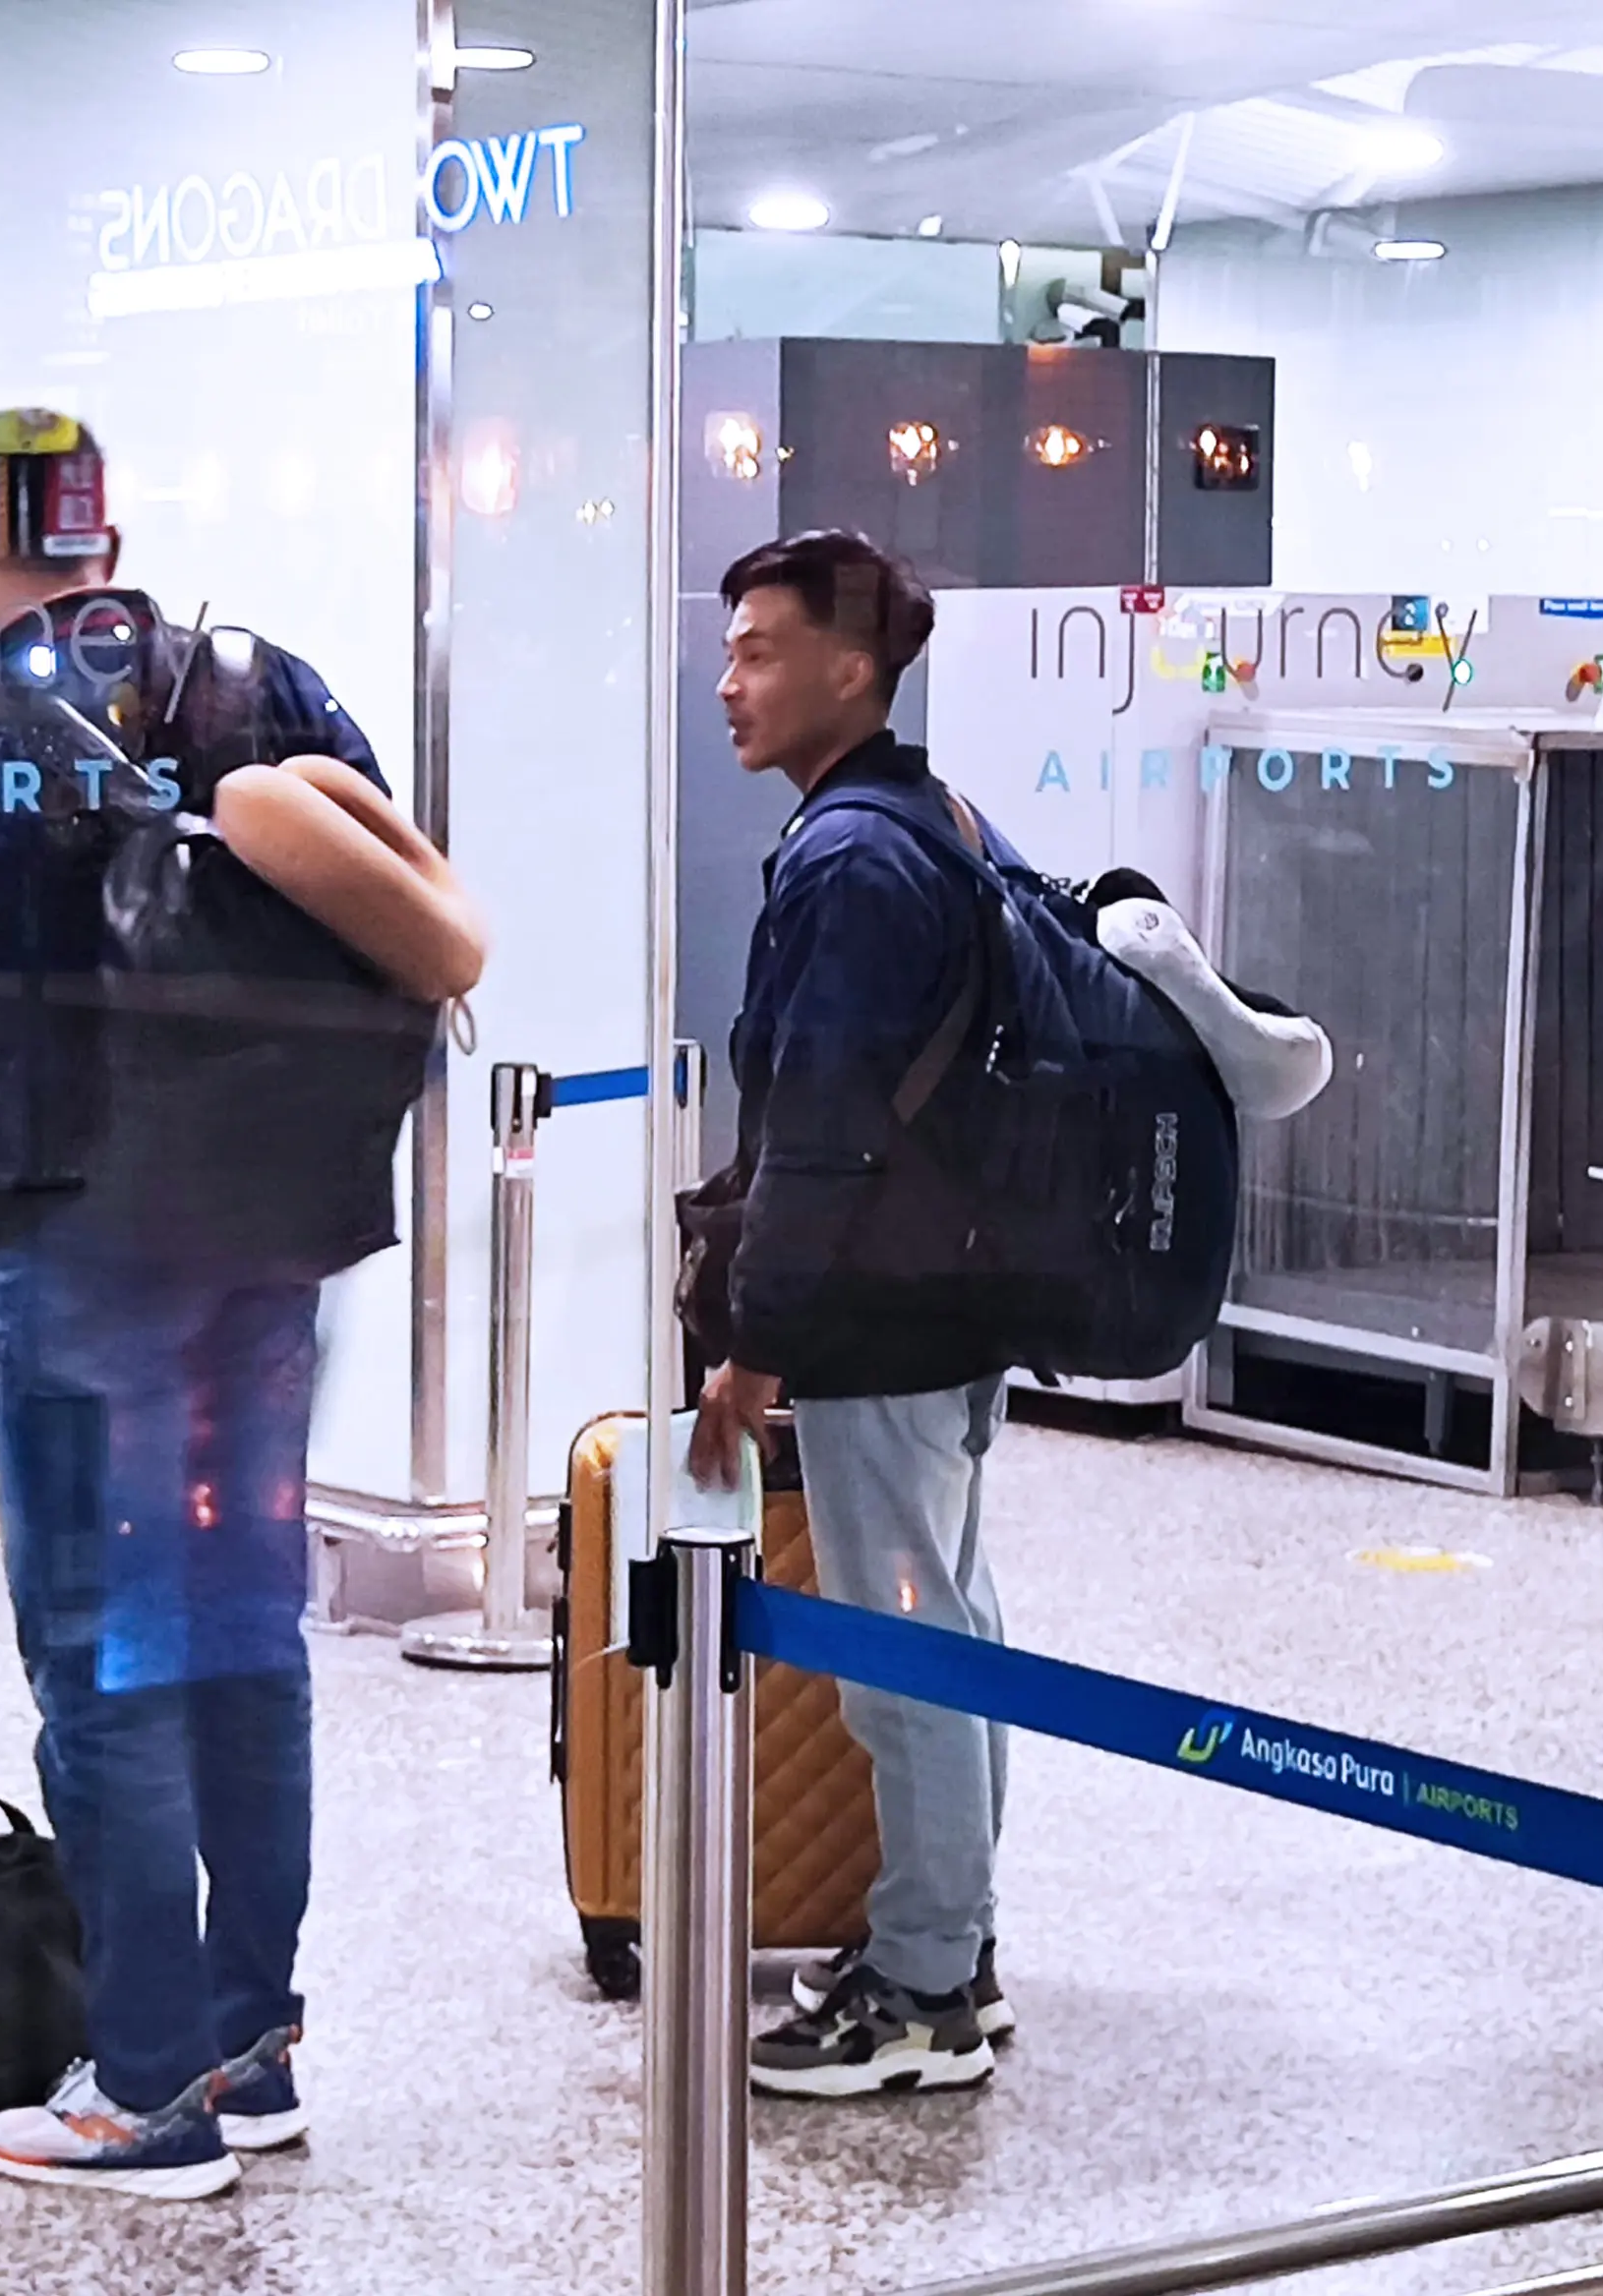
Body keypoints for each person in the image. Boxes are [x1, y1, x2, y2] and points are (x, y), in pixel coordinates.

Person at [0, 408, 387, 2201]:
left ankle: (144, 2091)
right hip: (272, 1237)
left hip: (85, 1245)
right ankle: (247, 2036)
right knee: (240, 1637)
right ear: (108, 524)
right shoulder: (266, 682)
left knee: (105, 1663)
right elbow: (371, 877)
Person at [686, 530, 1022, 2099]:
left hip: (884, 1311)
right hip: (950, 1289)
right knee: (950, 1615)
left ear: (851, 667)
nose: (730, 679)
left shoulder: (850, 858)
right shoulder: (927, 815)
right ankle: (953, 1941)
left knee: (907, 1649)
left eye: (759, 648)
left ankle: (925, 1987)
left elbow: (817, 1138)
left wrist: (753, 1346)